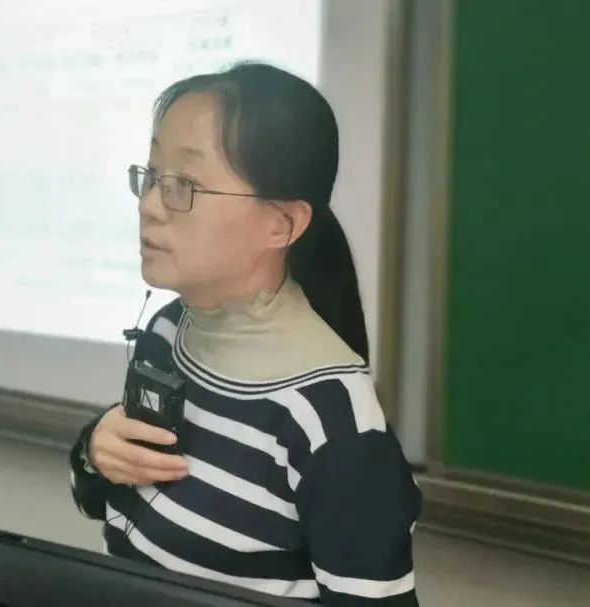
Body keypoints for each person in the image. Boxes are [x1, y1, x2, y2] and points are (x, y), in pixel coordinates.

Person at [68, 62, 421, 606]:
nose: (149, 205)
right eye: (153, 175)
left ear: (281, 224)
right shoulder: (166, 330)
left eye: (184, 185)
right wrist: (93, 454)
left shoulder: (332, 421)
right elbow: (109, 505)